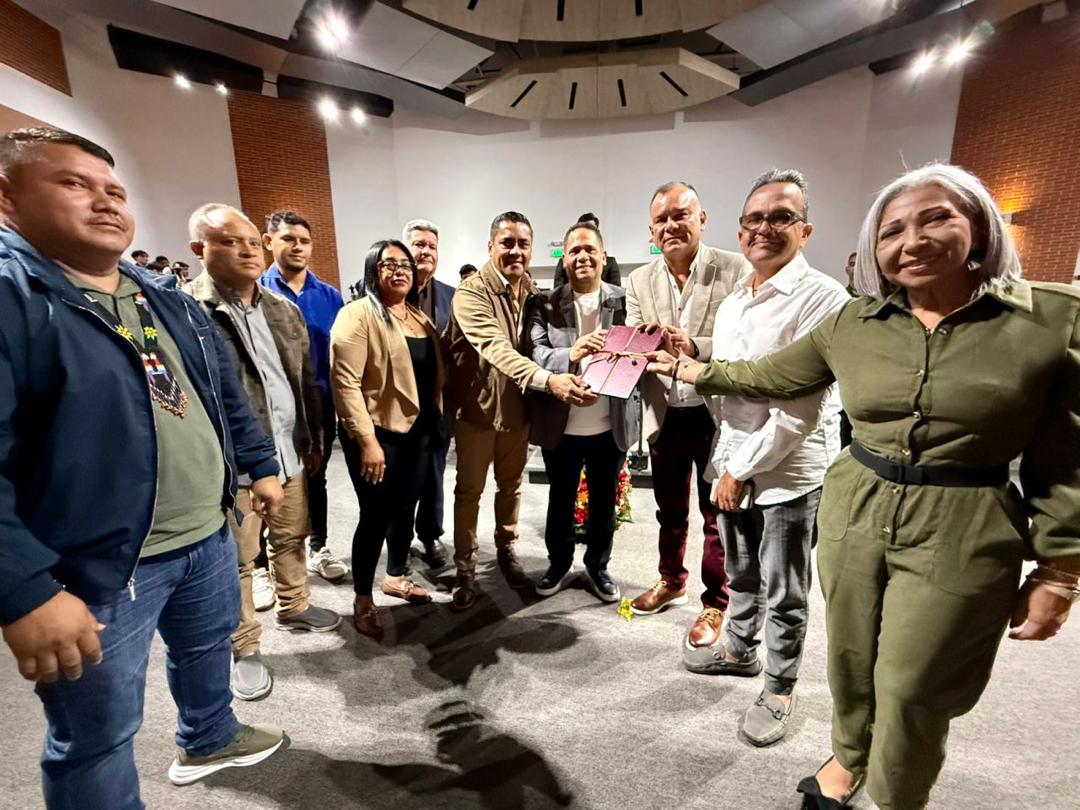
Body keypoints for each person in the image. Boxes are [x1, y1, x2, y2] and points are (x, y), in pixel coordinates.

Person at [646, 163, 1080, 810]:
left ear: (981, 227)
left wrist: (1061, 568)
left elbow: (1067, 458)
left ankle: (898, 792)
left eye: (936, 218)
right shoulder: (856, 321)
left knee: (915, 685)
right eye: (892, 229)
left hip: (964, 519)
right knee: (851, 658)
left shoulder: (1050, 318)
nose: (912, 240)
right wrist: (687, 368)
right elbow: (769, 375)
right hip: (858, 506)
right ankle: (849, 758)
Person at [0, 127, 286, 809]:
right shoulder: (14, 297)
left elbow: (219, 394)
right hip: (100, 563)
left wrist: (259, 464)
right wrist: (24, 590)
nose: (105, 202)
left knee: (205, 648)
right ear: (7, 198)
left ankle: (209, 735)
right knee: (96, 733)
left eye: (115, 190)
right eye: (74, 184)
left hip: (204, 531)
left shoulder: (161, 294)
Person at [685, 169, 849, 748]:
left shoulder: (823, 298)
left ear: (805, 230)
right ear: (739, 229)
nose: (765, 228)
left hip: (787, 471)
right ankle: (738, 649)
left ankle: (779, 687)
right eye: (754, 218)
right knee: (741, 573)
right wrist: (727, 463)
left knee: (785, 588)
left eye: (781, 217)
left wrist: (738, 469)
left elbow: (801, 411)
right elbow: (732, 385)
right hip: (734, 461)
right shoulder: (736, 300)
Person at [186, 203, 339, 701]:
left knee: (292, 535)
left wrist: (313, 436)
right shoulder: (188, 311)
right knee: (238, 558)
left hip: (289, 449)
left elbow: (304, 381)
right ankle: (244, 645)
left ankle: (295, 605)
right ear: (199, 249)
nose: (248, 250)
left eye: (252, 241)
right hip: (234, 466)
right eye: (231, 241)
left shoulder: (282, 308)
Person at [444, 211, 594, 610]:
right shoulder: (471, 292)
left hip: (517, 410)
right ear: (490, 246)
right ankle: (465, 568)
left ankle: (506, 550)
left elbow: (540, 344)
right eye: (506, 243)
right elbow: (495, 348)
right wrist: (549, 380)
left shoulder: (530, 290)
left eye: (523, 244)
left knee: (510, 487)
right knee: (469, 492)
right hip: (476, 411)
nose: (515, 251)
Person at [625, 181, 750, 651]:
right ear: (651, 230)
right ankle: (671, 580)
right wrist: (637, 346)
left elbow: (745, 340)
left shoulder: (735, 269)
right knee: (669, 510)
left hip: (715, 412)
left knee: (716, 513)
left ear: (702, 218)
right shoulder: (639, 280)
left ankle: (716, 601)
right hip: (665, 413)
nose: (671, 225)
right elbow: (634, 346)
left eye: (681, 215)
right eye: (661, 219)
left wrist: (694, 347)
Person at [331, 239, 448, 638]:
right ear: (372, 270)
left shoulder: (418, 317)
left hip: (418, 434)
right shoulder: (357, 315)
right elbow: (345, 383)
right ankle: (362, 599)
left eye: (405, 265)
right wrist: (367, 441)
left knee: (405, 509)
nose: (399, 271)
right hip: (378, 435)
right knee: (375, 516)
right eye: (388, 264)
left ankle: (395, 576)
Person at [527, 221, 637, 602]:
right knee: (560, 498)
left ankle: (598, 565)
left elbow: (639, 352)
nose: (582, 256)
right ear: (564, 259)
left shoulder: (625, 301)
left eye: (590, 249)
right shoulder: (544, 303)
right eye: (574, 250)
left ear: (604, 256)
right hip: (562, 425)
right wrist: (570, 353)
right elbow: (535, 352)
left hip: (610, 424)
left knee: (604, 502)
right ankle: (558, 563)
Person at [259, 210, 349, 583]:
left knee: (316, 478)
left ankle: (318, 546)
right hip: (270, 409)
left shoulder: (329, 296)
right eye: (288, 239)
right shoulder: (256, 293)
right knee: (266, 482)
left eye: (304, 240)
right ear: (269, 242)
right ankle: (261, 566)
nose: (298, 247)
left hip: (319, 408)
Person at [403, 218, 455, 568]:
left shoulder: (453, 296)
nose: (426, 252)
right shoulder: (387, 294)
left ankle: (430, 533)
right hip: (399, 403)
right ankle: (399, 537)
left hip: (438, 403)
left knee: (434, 473)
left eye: (432, 246)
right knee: (400, 475)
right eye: (418, 245)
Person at [552, 212, 621, 287]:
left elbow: (615, 290)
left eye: (591, 228)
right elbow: (558, 290)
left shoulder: (611, 263)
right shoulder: (565, 262)